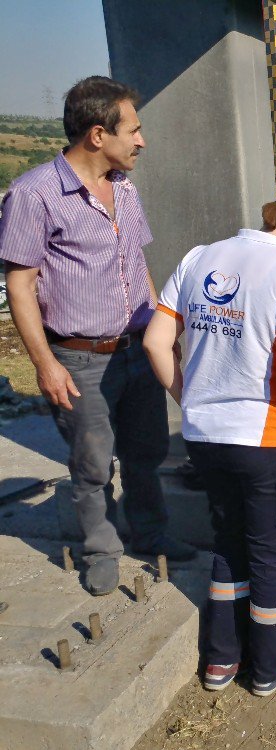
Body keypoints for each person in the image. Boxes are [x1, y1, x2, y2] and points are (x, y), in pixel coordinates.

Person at [0, 76, 195, 597]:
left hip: (136, 350)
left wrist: (161, 326)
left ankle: (151, 534)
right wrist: (45, 363)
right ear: (96, 134)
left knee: (147, 453)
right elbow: (19, 285)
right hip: (79, 357)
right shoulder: (33, 194)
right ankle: (102, 550)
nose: (141, 140)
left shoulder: (125, 190)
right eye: (133, 129)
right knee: (91, 464)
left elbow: (139, 264)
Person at [143, 190, 276, 697]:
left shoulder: (198, 257)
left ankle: (220, 663)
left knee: (228, 543)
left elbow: (156, 342)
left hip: (204, 434)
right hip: (265, 435)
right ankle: (268, 667)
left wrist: (192, 399)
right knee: (272, 551)